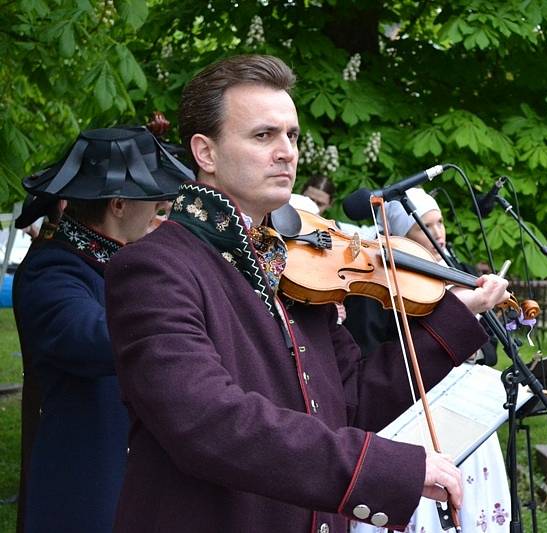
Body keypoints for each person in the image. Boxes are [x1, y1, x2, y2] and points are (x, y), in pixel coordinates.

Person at [103, 54, 509, 533]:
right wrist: (380, 470)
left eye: (291, 136)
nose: (286, 152)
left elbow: (352, 403)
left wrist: (451, 319)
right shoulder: (153, 266)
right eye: (263, 135)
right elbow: (206, 421)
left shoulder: (291, 265)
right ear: (205, 153)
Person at [12, 126, 192, 533]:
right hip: (84, 481)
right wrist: (186, 320)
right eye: (152, 202)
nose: (160, 210)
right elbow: (92, 338)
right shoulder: (52, 270)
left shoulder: (111, 260)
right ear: (118, 205)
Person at [347, 187, 510, 533]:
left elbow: (491, 349)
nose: (438, 232)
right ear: (401, 237)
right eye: (425, 226)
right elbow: (372, 356)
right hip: (410, 418)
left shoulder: (459, 272)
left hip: (463, 412)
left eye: (439, 222)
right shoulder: (378, 283)